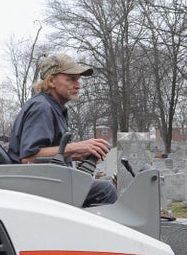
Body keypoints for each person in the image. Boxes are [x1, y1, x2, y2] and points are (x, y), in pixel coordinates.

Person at [8, 54, 117, 207]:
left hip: (45, 183)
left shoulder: (53, 107)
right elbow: (28, 158)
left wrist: (77, 155)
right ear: (51, 81)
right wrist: (75, 147)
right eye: (71, 79)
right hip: (34, 188)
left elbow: (50, 155)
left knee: (104, 183)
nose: (78, 85)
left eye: (78, 80)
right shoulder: (42, 108)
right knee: (105, 190)